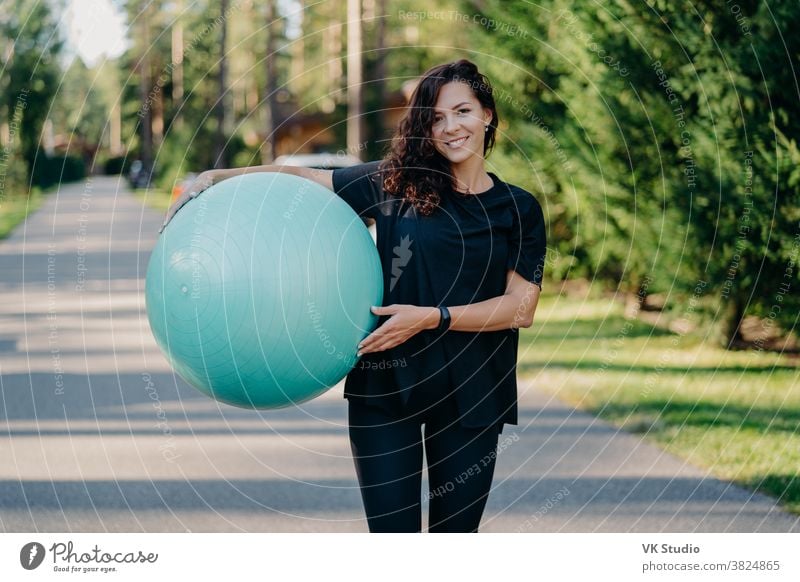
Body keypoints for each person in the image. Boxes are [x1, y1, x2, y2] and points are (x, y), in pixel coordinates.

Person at [161, 59, 546, 533]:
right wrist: (214, 180)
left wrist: (431, 317)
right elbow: (307, 182)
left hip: (472, 395)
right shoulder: (395, 182)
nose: (450, 128)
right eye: (435, 117)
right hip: (385, 392)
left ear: (487, 114)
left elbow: (520, 308)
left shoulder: (518, 208)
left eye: (462, 111)